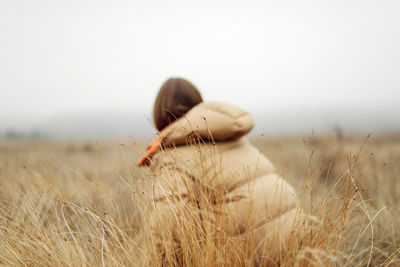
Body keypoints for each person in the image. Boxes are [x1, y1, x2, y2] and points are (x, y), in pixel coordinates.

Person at [138, 77, 303, 265]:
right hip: (297, 244)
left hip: (248, 258)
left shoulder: (171, 158)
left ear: (158, 114)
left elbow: (170, 238)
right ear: (197, 105)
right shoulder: (235, 140)